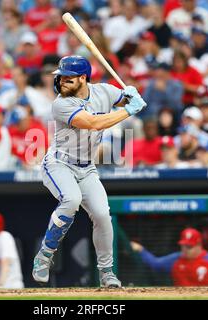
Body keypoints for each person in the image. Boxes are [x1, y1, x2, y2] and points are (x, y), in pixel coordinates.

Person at [32, 55, 147, 288]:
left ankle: (107, 273)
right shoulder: (61, 104)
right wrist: (129, 110)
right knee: (71, 200)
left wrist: (131, 95)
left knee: (103, 216)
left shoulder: (104, 91)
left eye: (68, 78)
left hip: (87, 167)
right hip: (59, 163)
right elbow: (94, 123)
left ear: (83, 78)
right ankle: (44, 255)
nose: (61, 81)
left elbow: (125, 99)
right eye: (61, 77)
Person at [130, 228, 208, 286]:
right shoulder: (175, 259)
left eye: (189, 247)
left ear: (199, 245)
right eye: (183, 245)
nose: (185, 249)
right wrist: (141, 250)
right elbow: (155, 264)